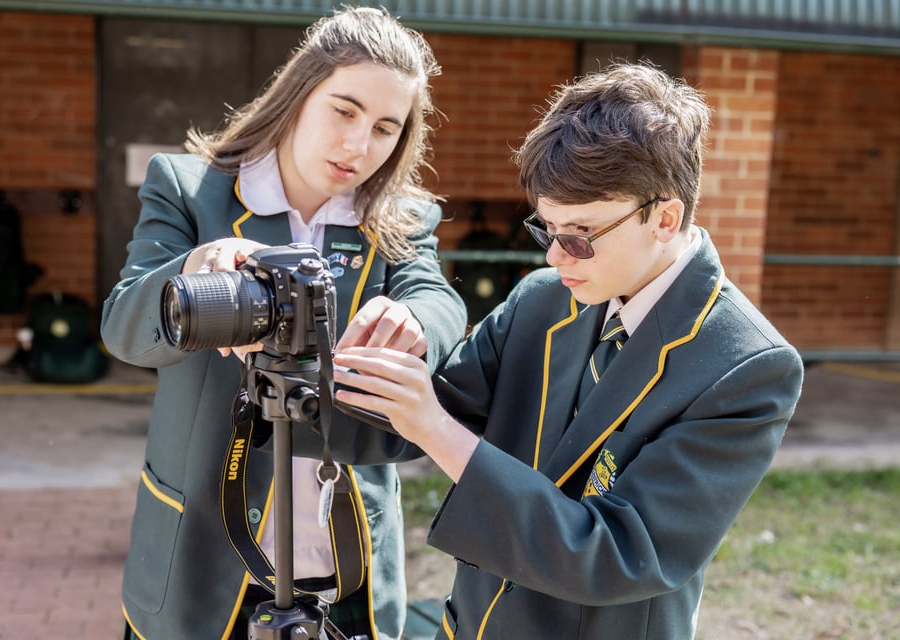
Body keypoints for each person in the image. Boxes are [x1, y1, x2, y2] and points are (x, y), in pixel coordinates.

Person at [333, 62, 805, 639]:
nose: (555, 258)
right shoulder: (541, 300)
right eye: (545, 230)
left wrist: (434, 427)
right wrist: (285, 361)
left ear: (665, 217)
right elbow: (401, 419)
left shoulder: (749, 368)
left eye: (578, 236)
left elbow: (617, 555)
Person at [100, 7, 466, 640]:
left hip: (341, 555)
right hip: (205, 556)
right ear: (300, 95)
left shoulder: (401, 216)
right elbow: (122, 327)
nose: (359, 146)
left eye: (386, 127)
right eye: (344, 111)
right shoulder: (193, 191)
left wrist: (412, 318)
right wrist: (192, 272)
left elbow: (438, 298)